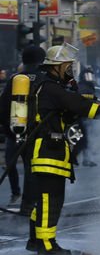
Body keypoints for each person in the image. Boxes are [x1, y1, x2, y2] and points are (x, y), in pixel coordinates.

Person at [23, 43, 100, 255]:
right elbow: (79, 106)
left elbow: (70, 105)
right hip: (48, 151)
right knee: (51, 200)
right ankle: (47, 245)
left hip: (47, 150)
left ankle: (35, 240)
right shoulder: (51, 88)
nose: (70, 71)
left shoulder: (48, 87)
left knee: (44, 200)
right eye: (67, 66)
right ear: (57, 67)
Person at [0, 45, 46, 208]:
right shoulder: (44, 79)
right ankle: (28, 203)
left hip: (15, 130)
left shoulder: (15, 79)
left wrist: (9, 130)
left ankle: (16, 192)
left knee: (10, 163)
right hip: (35, 133)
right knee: (30, 168)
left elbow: (3, 107)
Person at [72, 66, 97, 167]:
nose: (90, 78)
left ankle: (83, 159)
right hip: (84, 116)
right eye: (88, 75)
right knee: (85, 139)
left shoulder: (88, 86)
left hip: (87, 116)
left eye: (91, 76)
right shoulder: (83, 86)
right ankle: (75, 158)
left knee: (85, 139)